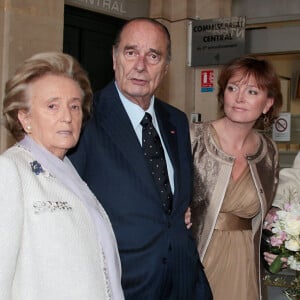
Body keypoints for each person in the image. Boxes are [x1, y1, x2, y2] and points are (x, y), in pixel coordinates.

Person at [69, 17, 212, 299]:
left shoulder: (177, 121)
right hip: (122, 283)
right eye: (131, 52)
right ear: (114, 58)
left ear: (166, 68)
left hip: (183, 281)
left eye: (153, 56)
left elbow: (173, 204)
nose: (140, 66)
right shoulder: (84, 117)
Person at [0, 52, 124, 300]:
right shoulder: (10, 170)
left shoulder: (69, 172)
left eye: (75, 106)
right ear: (24, 118)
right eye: (52, 106)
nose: (67, 117)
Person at [190, 55, 282, 300]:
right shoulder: (194, 137)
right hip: (196, 257)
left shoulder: (269, 151)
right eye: (233, 88)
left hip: (244, 263)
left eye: (252, 91)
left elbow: (268, 213)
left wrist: (277, 245)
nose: (239, 98)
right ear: (224, 94)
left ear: (267, 104)